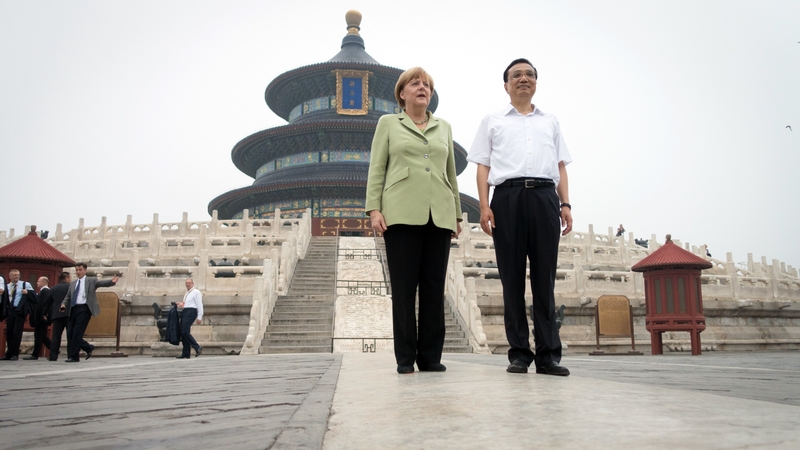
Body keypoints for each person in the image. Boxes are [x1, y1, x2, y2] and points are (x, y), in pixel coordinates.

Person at [468, 58, 572, 376]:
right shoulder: (492, 120)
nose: (523, 78)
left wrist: (565, 204)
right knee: (511, 279)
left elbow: (560, 166)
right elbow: (483, 166)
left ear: (536, 83)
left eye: (529, 74)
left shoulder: (550, 121)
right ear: (506, 85)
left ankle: (548, 355)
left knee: (544, 279)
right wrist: (484, 206)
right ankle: (519, 353)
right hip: (507, 198)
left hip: (544, 197)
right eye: (516, 75)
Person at [365, 67, 462, 374]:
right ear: (402, 93)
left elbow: (450, 173)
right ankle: (405, 357)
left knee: (434, 287)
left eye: (427, 85)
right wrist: (374, 209)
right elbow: (377, 167)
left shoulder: (443, 127)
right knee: (405, 288)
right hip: (400, 212)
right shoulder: (389, 123)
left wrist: (456, 214)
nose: (423, 88)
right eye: (416, 83)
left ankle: (431, 356)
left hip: (440, 213)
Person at [59, 263, 118, 362]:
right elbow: (68, 296)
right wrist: (63, 304)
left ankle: (74, 356)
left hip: (85, 309)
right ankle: (88, 347)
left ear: (85, 270)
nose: (78, 272)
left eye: (80, 270)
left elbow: (101, 283)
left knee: (77, 332)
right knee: (70, 333)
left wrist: (111, 282)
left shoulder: (91, 281)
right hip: (73, 309)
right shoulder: (73, 283)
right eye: (77, 270)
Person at [2, 269, 36, 361]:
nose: (17, 276)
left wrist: (27, 293)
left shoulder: (26, 285)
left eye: (18, 275)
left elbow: (35, 297)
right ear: (10, 276)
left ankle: (15, 353)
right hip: (10, 311)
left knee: (16, 332)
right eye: (14, 275)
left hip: (20, 311)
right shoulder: (7, 286)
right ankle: (8, 353)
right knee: (9, 332)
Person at [25, 277, 52, 360]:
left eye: (38, 281)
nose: (37, 283)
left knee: (39, 336)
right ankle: (54, 349)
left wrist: (44, 315)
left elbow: (45, 304)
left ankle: (35, 354)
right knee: (41, 336)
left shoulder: (46, 291)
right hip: (40, 318)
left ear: (43, 282)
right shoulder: (42, 292)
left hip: (42, 318)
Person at [176, 278, 203, 358]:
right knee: (182, 331)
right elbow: (187, 303)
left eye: (189, 283)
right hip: (185, 310)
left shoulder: (196, 292)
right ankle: (186, 352)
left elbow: (199, 304)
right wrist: (180, 304)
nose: (187, 284)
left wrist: (200, 316)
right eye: (186, 283)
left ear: (193, 284)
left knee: (185, 331)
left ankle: (197, 347)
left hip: (191, 312)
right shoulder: (187, 292)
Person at [48, 272, 71, 361]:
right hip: (69, 314)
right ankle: (71, 355)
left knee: (56, 337)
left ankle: (53, 356)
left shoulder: (53, 289)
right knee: (70, 336)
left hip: (57, 315)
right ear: (67, 278)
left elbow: (48, 303)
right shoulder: (70, 288)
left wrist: (48, 314)